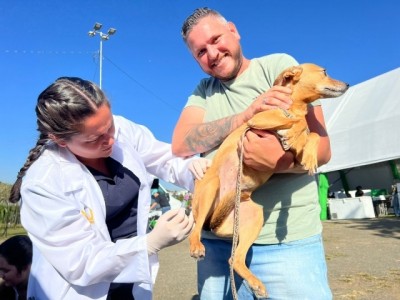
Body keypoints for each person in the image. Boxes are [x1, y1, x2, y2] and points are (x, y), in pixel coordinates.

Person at [172, 7, 332, 299]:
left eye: (216, 39)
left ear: (234, 30)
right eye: (200, 52)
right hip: (215, 243)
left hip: (286, 244)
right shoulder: (203, 91)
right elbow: (181, 144)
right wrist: (247, 115)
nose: (212, 53)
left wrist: (276, 162)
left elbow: (321, 149)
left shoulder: (278, 68)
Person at [7, 77, 209, 300]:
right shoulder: (43, 183)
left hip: (131, 283)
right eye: (94, 139)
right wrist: (149, 244)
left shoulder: (119, 130)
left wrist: (192, 167)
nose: (111, 140)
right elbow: (81, 262)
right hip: (81, 291)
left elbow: (164, 159)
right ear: (60, 140)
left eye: (110, 126)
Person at [0, 235, 32, 300]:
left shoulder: (46, 294)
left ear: (25, 268)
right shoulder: (4, 293)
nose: (1, 275)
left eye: (5, 271)